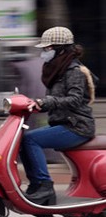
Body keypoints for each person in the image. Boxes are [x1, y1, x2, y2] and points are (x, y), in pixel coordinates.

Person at [22, 26, 96, 205]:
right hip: (63, 122)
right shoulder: (58, 69)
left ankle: (45, 187)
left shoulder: (74, 71)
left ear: (60, 48)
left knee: (31, 140)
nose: (44, 52)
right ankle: (35, 185)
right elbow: (55, 100)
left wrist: (46, 102)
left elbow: (75, 99)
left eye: (48, 48)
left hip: (77, 126)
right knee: (22, 139)